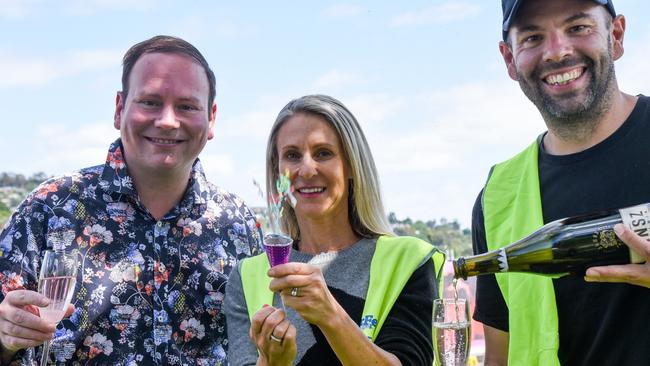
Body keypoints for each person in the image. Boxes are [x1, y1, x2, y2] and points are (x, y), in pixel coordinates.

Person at [0, 35, 261, 365]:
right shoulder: (49, 207)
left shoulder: (237, 223)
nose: (167, 120)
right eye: (150, 102)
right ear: (120, 108)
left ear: (211, 118)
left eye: (187, 106)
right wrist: (5, 338)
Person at [472, 0, 650, 365]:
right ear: (509, 59)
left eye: (578, 27)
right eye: (533, 37)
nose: (557, 51)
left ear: (615, 35)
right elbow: (500, 357)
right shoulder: (497, 196)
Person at [224, 94, 445, 365]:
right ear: (277, 170)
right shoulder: (247, 277)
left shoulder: (409, 261)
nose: (306, 169)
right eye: (292, 155)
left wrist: (330, 316)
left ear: (352, 165)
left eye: (323, 153)